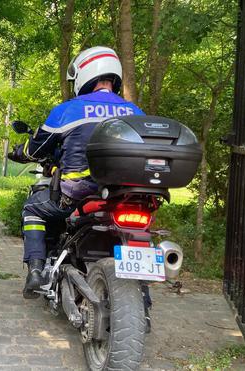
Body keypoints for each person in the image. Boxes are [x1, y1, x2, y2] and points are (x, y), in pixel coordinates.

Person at [8, 46, 145, 299]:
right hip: (124, 195)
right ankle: (143, 297)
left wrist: (19, 151)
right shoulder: (135, 112)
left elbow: (37, 147)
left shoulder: (68, 110)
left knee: (33, 209)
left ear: (84, 74)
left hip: (78, 195)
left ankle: (36, 271)